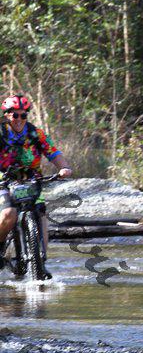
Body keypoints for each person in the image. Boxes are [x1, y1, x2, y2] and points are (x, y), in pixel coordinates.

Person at [0, 94, 73, 276]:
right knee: (9, 214)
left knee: (40, 215)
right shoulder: (1, 133)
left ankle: (41, 261)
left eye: (23, 115)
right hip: (4, 181)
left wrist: (64, 168)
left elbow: (53, 152)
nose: (19, 119)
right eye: (15, 115)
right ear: (6, 115)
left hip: (32, 180)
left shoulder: (36, 134)